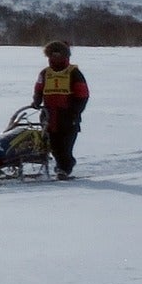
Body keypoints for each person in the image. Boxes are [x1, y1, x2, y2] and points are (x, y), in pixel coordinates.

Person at [33, 40, 89, 179]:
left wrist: (75, 111)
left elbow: (82, 95)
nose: (55, 58)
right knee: (53, 145)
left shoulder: (74, 73)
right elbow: (39, 89)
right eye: (53, 55)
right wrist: (36, 101)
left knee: (65, 145)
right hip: (49, 115)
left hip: (67, 116)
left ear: (65, 56)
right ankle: (62, 166)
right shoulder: (45, 73)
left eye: (58, 55)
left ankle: (64, 168)